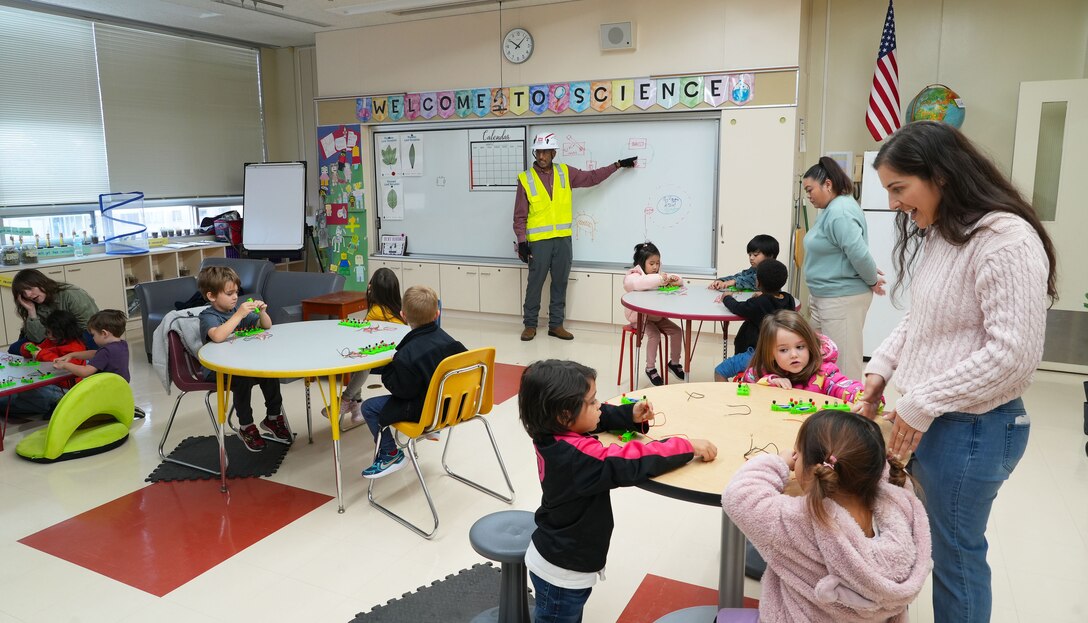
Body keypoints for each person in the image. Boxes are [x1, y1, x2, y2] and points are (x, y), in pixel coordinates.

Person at [853, 121, 1056, 623]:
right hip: (940, 422)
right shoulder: (946, 233)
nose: (896, 203)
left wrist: (919, 403)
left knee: (956, 557)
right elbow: (923, 319)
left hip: (974, 429)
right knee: (937, 543)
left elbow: (1013, 354)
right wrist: (880, 371)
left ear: (940, 175)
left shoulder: (1005, 239)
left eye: (900, 188)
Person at [518, 359, 717, 622]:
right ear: (564, 415)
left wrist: (628, 415)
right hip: (563, 571)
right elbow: (628, 461)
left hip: (559, 554)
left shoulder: (552, 433)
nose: (599, 405)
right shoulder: (578, 459)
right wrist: (685, 446)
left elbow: (594, 420)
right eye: (592, 401)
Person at [722, 410, 931, 622]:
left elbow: (740, 494)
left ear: (815, 469)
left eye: (798, 453)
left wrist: (780, 462)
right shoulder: (901, 512)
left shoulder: (802, 521)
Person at [514, 132, 638, 342]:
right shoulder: (525, 179)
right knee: (535, 283)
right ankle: (530, 325)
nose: (541, 156)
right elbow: (519, 215)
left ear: (554, 152)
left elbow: (592, 178)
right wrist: (522, 242)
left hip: (563, 240)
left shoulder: (565, 172)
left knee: (560, 283)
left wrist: (616, 165)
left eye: (545, 151)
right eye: (538, 151)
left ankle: (556, 324)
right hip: (539, 243)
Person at [359, 285, 465, 478]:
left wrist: (389, 370)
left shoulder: (406, 355)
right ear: (437, 313)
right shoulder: (452, 343)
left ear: (403, 316)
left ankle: (390, 454)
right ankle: (436, 428)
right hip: (454, 408)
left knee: (369, 407)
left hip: (425, 411)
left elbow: (402, 391)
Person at [801, 157, 885, 379]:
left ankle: (848, 412)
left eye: (810, 189)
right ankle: (828, 408)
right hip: (825, 296)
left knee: (844, 364)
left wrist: (872, 280)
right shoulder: (831, 210)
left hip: (841, 298)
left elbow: (858, 252)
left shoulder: (840, 211)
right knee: (818, 358)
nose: (808, 196)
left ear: (827, 184)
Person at [197, 265, 287, 452]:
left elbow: (267, 326)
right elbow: (218, 336)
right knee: (241, 380)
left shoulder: (235, 311)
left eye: (236, 292)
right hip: (216, 370)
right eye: (229, 293)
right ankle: (246, 426)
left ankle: (272, 418)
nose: (235, 297)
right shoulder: (209, 315)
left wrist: (262, 312)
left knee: (268, 372)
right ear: (211, 296)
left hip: (241, 364)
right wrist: (239, 315)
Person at [321, 267, 406, 429]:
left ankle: (346, 400)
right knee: (359, 357)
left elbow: (365, 334)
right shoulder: (397, 307)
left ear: (373, 289)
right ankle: (357, 405)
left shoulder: (376, 311)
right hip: (395, 354)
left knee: (359, 362)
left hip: (387, 358)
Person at [738, 310, 876, 405]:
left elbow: (843, 385)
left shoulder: (824, 372)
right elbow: (746, 383)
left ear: (809, 345)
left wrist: (864, 396)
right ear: (770, 354)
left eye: (800, 347)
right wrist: (770, 381)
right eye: (784, 350)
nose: (794, 354)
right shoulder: (763, 371)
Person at [713, 259, 796, 381]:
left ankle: (727, 399)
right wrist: (762, 296)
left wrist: (727, 298)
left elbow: (737, 308)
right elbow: (772, 302)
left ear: (758, 283)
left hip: (759, 354)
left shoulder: (759, 303)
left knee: (720, 370)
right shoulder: (788, 299)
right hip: (782, 353)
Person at [622, 241, 684, 386]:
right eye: (652, 263)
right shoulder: (633, 275)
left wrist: (674, 280)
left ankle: (674, 363)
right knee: (654, 335)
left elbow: (679, 280)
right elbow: (637, 284)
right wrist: (661, 279)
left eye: (658, 263)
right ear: (642, 263)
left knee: (677, 331)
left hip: (656, 316)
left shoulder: (658, 275)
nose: (656, 267)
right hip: (639, 318)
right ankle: (650, 368)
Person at [8, 268, 99, 355]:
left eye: (30, 288)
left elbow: (90, 327)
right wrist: (31, 311)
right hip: (52, 338)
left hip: (76, 335)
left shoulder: (71, 294)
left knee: (91, 344)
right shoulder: (32, 303)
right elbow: (38, 338)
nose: (28, 295)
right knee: (15, 349)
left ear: (41, 283)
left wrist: (62, 340)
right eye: (23, 293)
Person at [53, 309, 131, 381]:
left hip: (107, 389)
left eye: (93, 335)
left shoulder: (105, 352)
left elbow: (85, 372)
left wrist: (64, 365)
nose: (93, 338)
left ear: (104, 333)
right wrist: (72, 355)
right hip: (122, 387)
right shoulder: (122, 344)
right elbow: (95, 354)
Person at [708, 234, 780, 291]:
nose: (751, 258)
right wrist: (721, 280)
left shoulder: (773, 272)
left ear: (770, 256)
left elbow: (753, 280)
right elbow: (740, 276)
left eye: (755, 255)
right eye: (750, 255)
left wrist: (732, 282)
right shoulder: (754, 269)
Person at [21, 309, 86, 364]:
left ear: (66, 332)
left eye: (55, 333)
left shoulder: (76, 347)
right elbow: (36, 352)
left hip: (67, 377)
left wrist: (41, 354)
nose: (50, 336)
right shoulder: (51, 341)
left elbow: (67, 365)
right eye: (48, 332)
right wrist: (28, 349)